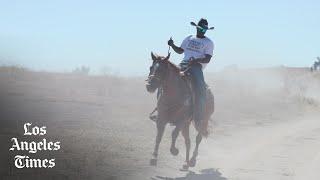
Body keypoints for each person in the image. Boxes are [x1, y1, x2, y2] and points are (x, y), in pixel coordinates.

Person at [168, 18, 214, 126]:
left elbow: (207, 59)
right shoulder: (189, 38)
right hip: (183, 64)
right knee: (167, 79)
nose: (203, 31)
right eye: (201, 29)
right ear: (197, 28)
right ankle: (162, 110)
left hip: (196, 67)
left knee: (201, 90)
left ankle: (199, 117)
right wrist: (172, 44)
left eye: (205, 29)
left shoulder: (209, 43)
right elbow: (180, 51)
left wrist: (196, 60)